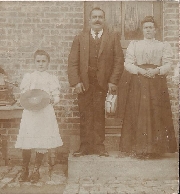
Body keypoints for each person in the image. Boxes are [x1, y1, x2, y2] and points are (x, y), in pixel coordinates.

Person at [118, 16, 177, 159]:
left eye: (151, 27)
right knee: (139, 113)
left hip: (157, 82)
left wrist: (156, 71)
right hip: (139, 82)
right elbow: (128, 63)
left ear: (155, 30)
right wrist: (141, 71)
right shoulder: (135, 45)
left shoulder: (162, 45)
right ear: (142, 30)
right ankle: (139, 149)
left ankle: (155, 149)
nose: (148, 30)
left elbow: (168, 64)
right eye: (146, 27)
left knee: (156, 112)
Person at [68, 7, 124, 157]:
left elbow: (119, 61)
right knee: (85, 115)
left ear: (104, 20)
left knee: (99, 115)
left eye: (100, 17)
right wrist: (76, 82)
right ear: (90, 20)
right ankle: (85, 146)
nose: (97, 20)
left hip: (102, 84)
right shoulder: (80, 38)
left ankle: (99, 146)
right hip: (84, 84)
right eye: (94, 17)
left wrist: (113, 81)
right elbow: (73, 62)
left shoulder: (112, 38)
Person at [15, 50, 63, 183]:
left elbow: (56, 94)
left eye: (43, 61)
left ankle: (36, 170)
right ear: (34, 62)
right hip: (31, 112)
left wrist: (55, 99)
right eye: (38, 61)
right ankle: (25, 170)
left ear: (48, 63)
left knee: (41, 141)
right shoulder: (29, 77)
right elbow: (24, 93)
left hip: (44, 112)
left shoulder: (51, 78)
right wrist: (24, 97)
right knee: (28, 141)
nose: (41, 64)